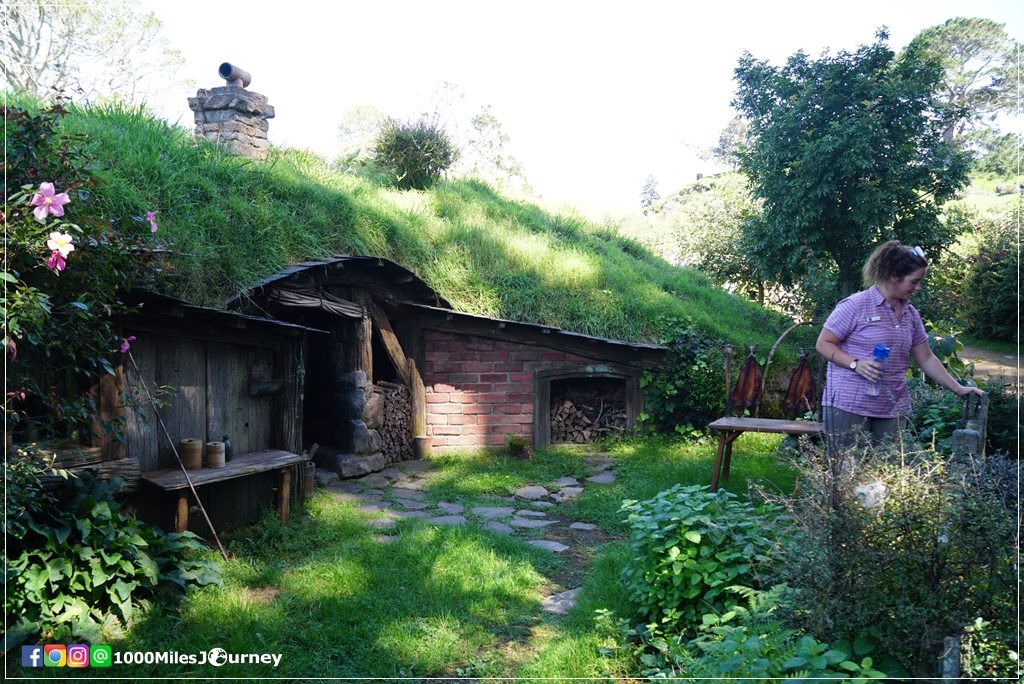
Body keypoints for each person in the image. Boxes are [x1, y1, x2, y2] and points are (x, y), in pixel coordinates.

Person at [815, 240, 984, 449]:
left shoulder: (910, 314)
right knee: (847, 472)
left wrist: (958, 388)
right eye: (914, 282)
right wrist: (855, 364)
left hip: (891, 407)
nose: (918, 287)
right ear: (893, 277)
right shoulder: (856, 305)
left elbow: (926, 357)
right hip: (849, 404)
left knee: (885, 474)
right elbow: (824, 343)